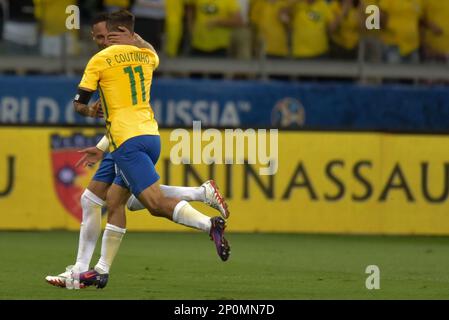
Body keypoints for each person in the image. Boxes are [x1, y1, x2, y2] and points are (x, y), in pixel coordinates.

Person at [45, 12, 229, 288]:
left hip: (126, 144)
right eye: (97, 38)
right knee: (105, 200)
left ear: (115, 32)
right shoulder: (144, 56)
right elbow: (153, 56)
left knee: (152, 203)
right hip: (145, 136)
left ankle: (207, 219)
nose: (101, 41)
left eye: (104, 36)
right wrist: (138, 39)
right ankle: (90, 271)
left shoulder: (99, 61)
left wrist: (88, 110)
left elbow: (80, 104)